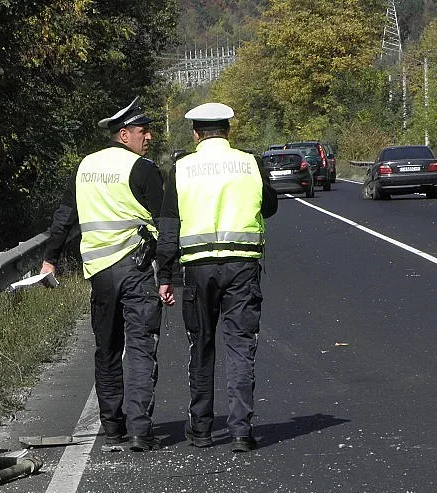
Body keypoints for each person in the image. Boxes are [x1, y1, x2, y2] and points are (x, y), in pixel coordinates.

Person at [40, 97, 165, 451]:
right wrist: (170, 268)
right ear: (124, 134)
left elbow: (65, 216)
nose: (150, 137)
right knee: (141, 348)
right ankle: (140, 430)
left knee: (107, 348)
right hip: (137, 269)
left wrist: (50, 258)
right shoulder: (142, 169)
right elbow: (166, 221)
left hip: (99, 273)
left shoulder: (85, 167)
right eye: (143, 131)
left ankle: (112, 428)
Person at [155, 102, 277, 452]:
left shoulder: (181, 168)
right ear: (228, 131)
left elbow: (168, 227)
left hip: (197, 269)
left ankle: (202, 429)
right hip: (242, 267)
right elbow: (269, 206)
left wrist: (165, 273)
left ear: (196, 133)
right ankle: (241, 432)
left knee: (201, 344)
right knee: (240, 346)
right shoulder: (250, 163)